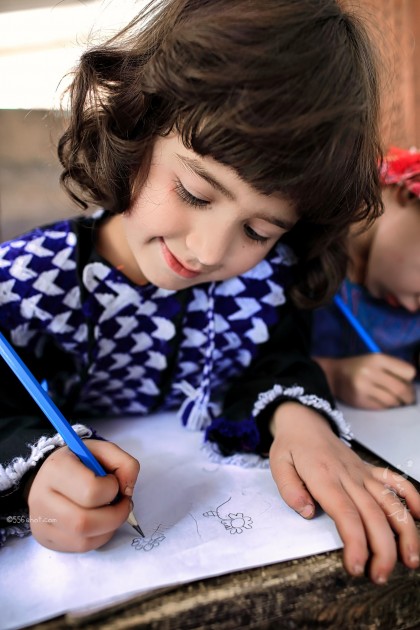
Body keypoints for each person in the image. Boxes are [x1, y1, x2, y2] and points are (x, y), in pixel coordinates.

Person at [0, 0, 419, 586]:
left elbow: (270, 358)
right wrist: (32, 470)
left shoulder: (263, 279)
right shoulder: (28, 281)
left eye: (258, 230)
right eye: (196, 191)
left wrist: (297, 415)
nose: (209, 251)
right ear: (137, 127)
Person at [312, 146, 420, 409]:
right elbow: (239, 368)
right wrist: (331, 375)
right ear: (409, 193)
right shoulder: (299, 255)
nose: (412, 307)